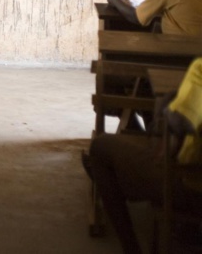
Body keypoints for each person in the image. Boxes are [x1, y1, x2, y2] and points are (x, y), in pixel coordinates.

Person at [86, 58, 202, 253]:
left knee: (101, 148)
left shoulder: (199, 71)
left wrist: (161, 115)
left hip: (191, 189)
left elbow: (167, 148)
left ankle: (132, 249)